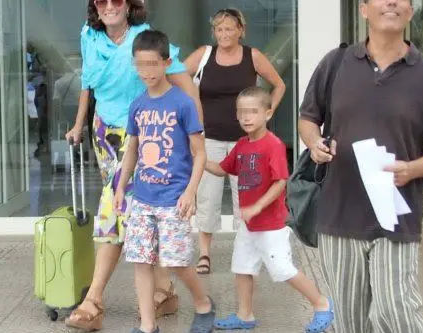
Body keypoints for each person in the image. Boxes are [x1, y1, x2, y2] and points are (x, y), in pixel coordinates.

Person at [298, 1, 423, 332]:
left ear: (410, 11)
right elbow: (308, 119)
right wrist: (314, 144)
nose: (391, 2)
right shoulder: (336, 63)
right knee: (350, 320)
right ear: (363, 9)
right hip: (340, 213)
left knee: (397, 310)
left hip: (397, 215)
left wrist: (413, 169)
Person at [64, 0, 202, 330]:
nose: (109, 6)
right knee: (135, 212)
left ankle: (93, 300)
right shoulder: (89, 35)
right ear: (94, 6)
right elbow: (87, 83)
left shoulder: (145, 37)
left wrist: (195, 133)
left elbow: (185, 83)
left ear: (129, 5)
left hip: (144, 134)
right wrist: (78, 124)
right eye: (102, 0)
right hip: (104, 133)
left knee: (116, 208)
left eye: (117, 0)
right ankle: (163, 291)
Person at [205, 87, 333, 333]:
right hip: (249, 225)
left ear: (268, 112)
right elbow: (222, 169)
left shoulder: (272, 145)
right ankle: (244, 315)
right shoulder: (242, 145)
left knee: (283, 270)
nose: (246, 117)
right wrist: (198, 160)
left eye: (253, 111)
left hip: (272, 225)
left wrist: (257, 206)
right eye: (241, 112)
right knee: (242, 268)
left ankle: (322, 304)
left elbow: (281, 182)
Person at [113, 30, 215, 333]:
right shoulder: (138, 105)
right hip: (143, 198)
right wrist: (121, 187)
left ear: (166, 63)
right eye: (140, 65)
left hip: (174, 198)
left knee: (176, 262)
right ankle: (147, 326)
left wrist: (190, 192)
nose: (146, 72)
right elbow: (132, 149)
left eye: (152, 64)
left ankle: (203, 303)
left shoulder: (182, 103)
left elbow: (199, 153)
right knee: (141, 262)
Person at [184, 8, 286, 274]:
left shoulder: (253, 56)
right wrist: (191, 109)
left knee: (247, 197)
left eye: (229, 28)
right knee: (207, 198)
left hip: (247, 142)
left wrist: (268, 111)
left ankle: (248, 251)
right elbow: (177, 77)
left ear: (241, 30)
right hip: (210, 138)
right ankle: (205, 253)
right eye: (219, 29)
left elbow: (279, 85)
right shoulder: (205, 54)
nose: (224, 34)